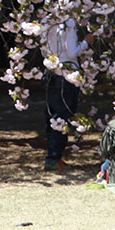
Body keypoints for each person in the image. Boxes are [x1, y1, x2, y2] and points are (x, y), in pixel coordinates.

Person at [42, 17, 84, 171]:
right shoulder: (69, 24)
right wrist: (86, 43)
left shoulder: (48, 22)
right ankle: (54, 157)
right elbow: (72, 53)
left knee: (52, 115)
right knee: (62, 116)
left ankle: (52, 156)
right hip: (67, 75)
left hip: (52, 73)